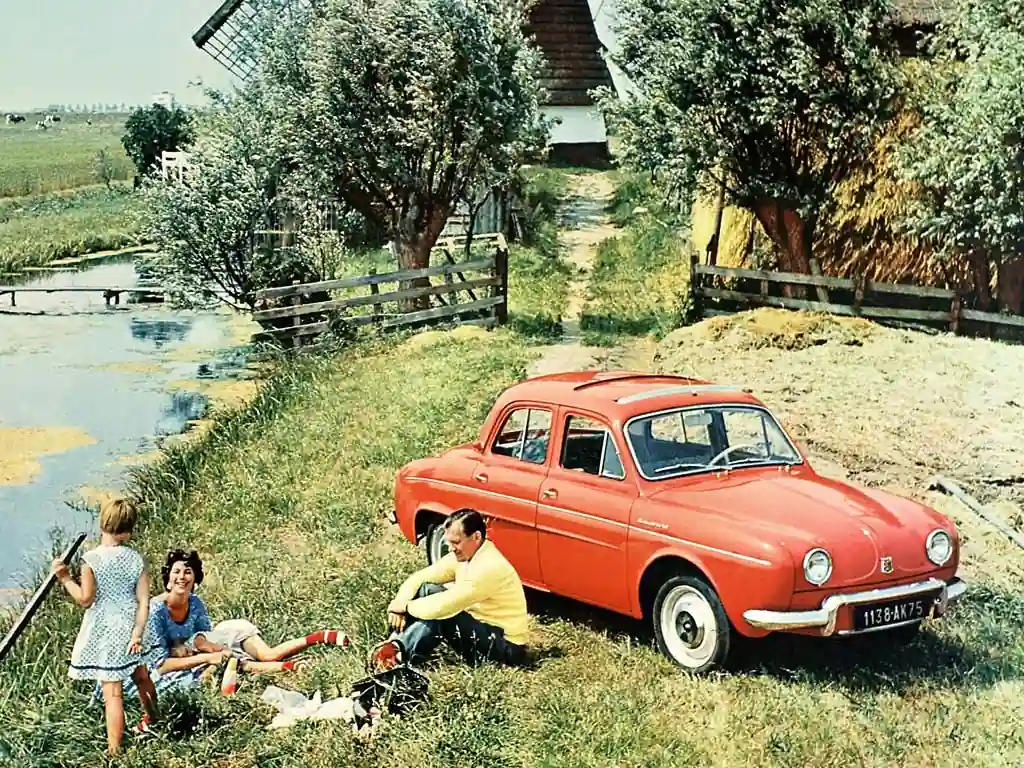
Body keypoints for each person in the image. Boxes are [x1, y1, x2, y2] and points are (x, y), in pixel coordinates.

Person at [120, 549, 350, 706]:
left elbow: (203, 636)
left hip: (192, 652)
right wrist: (207, 657)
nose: (182, 577)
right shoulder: (155, 611)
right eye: (176, 572)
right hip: (158, 666)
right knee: (225, 664)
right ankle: (288, 667)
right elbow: (161, 664)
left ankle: (316, 638)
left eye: (188, 572)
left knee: (258, 654)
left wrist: (209, 651)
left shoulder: (195, 603)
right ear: (168, 580)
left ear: (195, 579)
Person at [52, 496, 160, 757]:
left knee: (113, 693)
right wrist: (137, 633)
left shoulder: (92, 560)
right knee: (142, 676)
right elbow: (144, 601)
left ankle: (114, 750)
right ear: (129, 530)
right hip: (132, 625)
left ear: (102, 523)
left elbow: (86, 599)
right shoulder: (135, 559)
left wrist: (64, 578)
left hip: (107, 630)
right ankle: (155, 719)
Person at [372, 509, 530, 671]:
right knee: (427, 588)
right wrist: (399, 603)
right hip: (482, 627)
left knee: (443, 615)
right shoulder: (467, 554)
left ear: (476, 537)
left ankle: (397, 658)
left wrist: (405, 607)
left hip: (506, 647)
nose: (451, 548)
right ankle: (393, 644)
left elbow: (445, 606)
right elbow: (419, 578)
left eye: (456, 542)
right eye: (449, 543)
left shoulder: (489, 567)